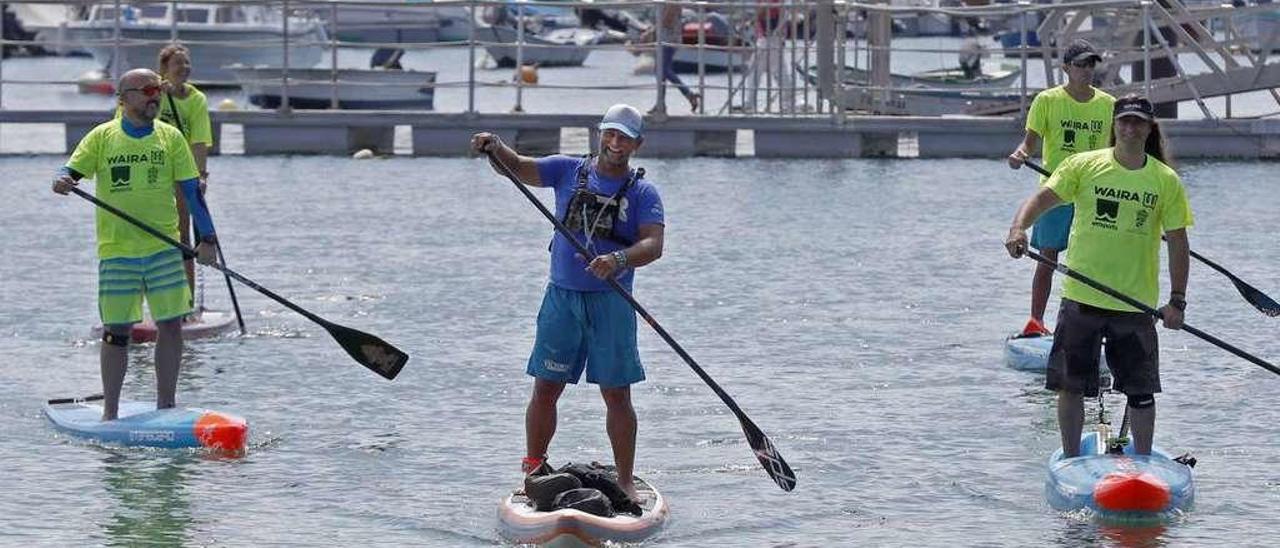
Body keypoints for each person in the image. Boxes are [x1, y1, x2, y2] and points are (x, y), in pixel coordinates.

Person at [471, 104, 665, 500]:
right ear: (600, 134)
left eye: (624, 137)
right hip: (562, 299)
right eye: (610, 134)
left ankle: (625, 480)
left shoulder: (644, 192)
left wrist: (618, 259)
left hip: (611, 302)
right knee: (546, 387)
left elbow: (653, 244)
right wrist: (495, 147)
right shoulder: (566, 170)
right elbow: (517, 167)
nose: (615, 143)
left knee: (617, 395)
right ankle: (534, 470)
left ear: (636, 144)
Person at [1004, 95, 1193, 458]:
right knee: (1070, 387)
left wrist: (1177, 301)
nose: (1130, 128)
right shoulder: (1084, 166)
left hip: (1135, 303)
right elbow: (1039, 201)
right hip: (1082, 297)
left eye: (1138, 122)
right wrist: (1018, 229)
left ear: (1149, 128)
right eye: (1124, 121)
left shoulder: (1165, 181)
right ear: (1114, 126)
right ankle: (1072, 460)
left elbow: (1178, 244)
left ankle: (1142, 464)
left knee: (1140, 391)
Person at [52, 68, 219, 421]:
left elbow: (192, 192)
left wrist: (207, 239)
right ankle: (110, 414)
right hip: (117, 251)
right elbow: (68, 172)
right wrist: (63, 181)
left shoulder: (170, 138)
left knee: (171, 324)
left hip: (162, 249)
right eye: (146, 90)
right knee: (117, 331)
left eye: (157, 90)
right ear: (124, 98)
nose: (154, 96)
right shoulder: (101, 137)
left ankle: (166, 407)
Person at [1007, 39, 1115, 337]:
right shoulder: (1047, 101)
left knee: (1095, 261)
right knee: (1047, 257)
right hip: (1055, 191)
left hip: (1093, 194)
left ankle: (1096, 324)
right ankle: (1036, 322)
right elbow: (1029, 143)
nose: (1087, 70)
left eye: (1091, 64)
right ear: (1066, 68)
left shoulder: (1108, 105)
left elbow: (1116, 151)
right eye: (1080, 65)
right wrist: (1020, 155)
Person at [155, 44, 214, 310]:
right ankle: (154, 303)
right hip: (153, 171)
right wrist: (157, 95)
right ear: (164, 69)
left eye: (186, 63)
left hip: (182, 172)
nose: (184, 68)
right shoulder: (153, 92)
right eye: (178, 63)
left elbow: (199, 140)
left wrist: (201, 176)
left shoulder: (196, 99)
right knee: (153, 236)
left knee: (182, 236)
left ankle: (186, 303)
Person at [643, 3, 700, 114]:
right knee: (662, 71)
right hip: (665, 38)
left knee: (662, 70)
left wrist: (650, 31)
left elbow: (667, 20)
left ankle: (686, 95)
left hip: (669, 38)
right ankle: (662, 104)